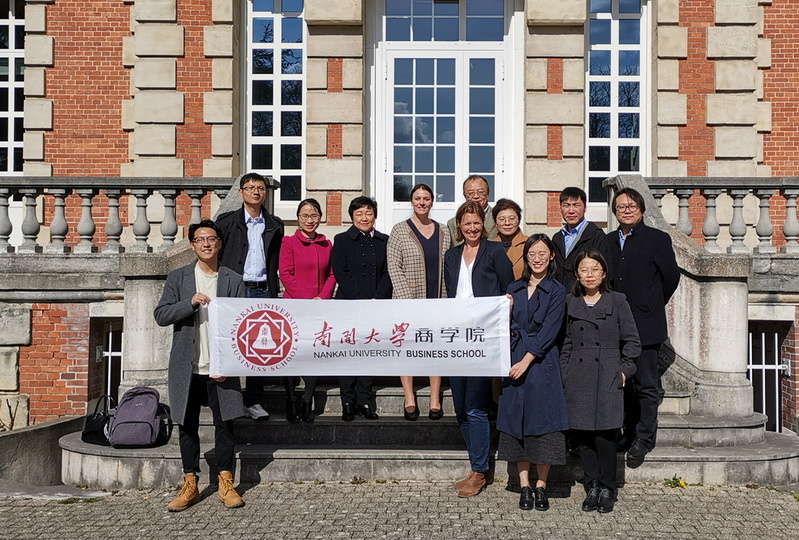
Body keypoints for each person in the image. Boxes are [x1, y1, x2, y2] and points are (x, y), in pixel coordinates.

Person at [154, 219, 247, 512]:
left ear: (219, 243)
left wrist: (228, 363)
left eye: (211, 238)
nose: (206, 243)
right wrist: (189, 303)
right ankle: (190, 483)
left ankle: (226, 482)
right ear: (192, 245)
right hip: (188, 366)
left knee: (225, 424)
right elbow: (161, 315)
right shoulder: (178, 278)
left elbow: (242, 326)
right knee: (187, 425)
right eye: (200, 239)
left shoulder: (233, 279)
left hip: (220, 365)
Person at [560, 249, 640, 514]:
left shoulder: (617, 301)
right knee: (583, 435)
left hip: (608, 373)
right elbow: (567, 342)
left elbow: (632, 341)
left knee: (606, 435)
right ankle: (592, 484)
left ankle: (608, 487)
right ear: (576, 274)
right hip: (578, 375)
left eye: (595, 269)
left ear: (604, 273)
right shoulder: (570, 302)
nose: (590, 274)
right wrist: (564, 371)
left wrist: (624, 371)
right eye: (584, 269)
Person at [444, 201, 514, 498]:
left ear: (482, 224)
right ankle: (477, 466)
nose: (472, 228)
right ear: (459, 225)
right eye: (466, 223)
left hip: (482, 338)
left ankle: (480, 470)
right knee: (460, 407)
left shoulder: (495, 251)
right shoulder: (451, 255)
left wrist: (508, 303)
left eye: (476, 223)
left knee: (475, 406)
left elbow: (510, 288)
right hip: (456, 338)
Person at [606, 187, 680, 460]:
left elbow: (671, 278)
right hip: (616, 326)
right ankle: (628, 432)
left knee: (647, 385)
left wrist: (651, 302)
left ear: (641, 209)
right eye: (621, 206)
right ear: (615, 212)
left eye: (631, 206)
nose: (626, 210)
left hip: (646, 325)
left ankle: (645, 437)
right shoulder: (608, 240)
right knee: (624, 385)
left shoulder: (657, 239)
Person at [497, 234, 568, 512]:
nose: (537, 259)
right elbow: (502, 325)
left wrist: (526, 361)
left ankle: (541, 486)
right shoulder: (513, 287)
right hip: (513, 357)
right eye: (532, 254)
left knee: (544, 423)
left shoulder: (557, 290)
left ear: (551, 256)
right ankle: (524, 485)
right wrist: (505, 310)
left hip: (541, 362)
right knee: (517, 421)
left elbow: (550, 330)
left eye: (542, 254)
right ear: (525, 257)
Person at [216, 172, 285, 422]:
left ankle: (254, 401)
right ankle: (230, 401)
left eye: (260, 188)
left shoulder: (275, 224)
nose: (256, 192)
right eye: (251, 187)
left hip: (262, 289)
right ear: (241, 192)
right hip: (235, 290)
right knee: (229, 342)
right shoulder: (227, 222)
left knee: (259, 346)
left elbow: (275, 258)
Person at [387, 183, 451, 421]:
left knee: (436, 348)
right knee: (407, 348)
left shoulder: (444, 231)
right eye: (417, 198)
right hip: (408, 301)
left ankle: (435, 398)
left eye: (426, 198)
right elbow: (394, 266)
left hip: (438, 299)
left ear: (432, 201)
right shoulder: (399, 230)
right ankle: (409, 397)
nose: (422, 202)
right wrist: (408, 300)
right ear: (411, 201)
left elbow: (449, 264)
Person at [331, 196, 392, 421]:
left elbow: (388, 271)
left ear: (374, 215)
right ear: (352, 216)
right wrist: (358, 299)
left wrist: (377, 298)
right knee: (348, 352)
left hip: (375, 305)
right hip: (349, 304)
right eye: (359, 214)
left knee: (369, 352)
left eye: (368, 213)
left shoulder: (384, 241)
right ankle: (347, 401)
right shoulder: (342, 240)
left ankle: (364, 400)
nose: (364, 217)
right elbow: (340, 271)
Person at [278, 198, 335, 422]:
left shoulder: (326, 244)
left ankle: (307, 399)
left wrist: (323, 296)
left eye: (314, 216)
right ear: (298, 219)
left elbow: (332, 274)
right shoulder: (289, 242)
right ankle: (291, 398)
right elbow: (285, 274)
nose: (309, 220)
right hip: (295, 305)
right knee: (291, 353)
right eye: (304, 216)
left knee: (313, 353)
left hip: (319, 306)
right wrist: (307, 299)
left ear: (320, 218)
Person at [552, 186, 611, 293]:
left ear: (585, 207)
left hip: (585, 296)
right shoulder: (557, 238)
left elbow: (606, 271)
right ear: (560, 208)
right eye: (566, 205)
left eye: (576, 205)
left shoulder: (596, 236)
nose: (571, 211)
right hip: (560, 297)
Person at [447, 175, 498, 245]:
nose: (476, 196)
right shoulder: (453, 223)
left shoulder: (498, 219)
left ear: (488, 193)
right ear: (464, 195)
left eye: (481, 192)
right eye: (471, 193)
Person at [490, 198, 528, 280]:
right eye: (502, 219)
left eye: (512, 218)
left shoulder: (529, 244)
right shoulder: (488, 247)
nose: (507, 223)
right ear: (495, 222)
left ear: (519, 220)